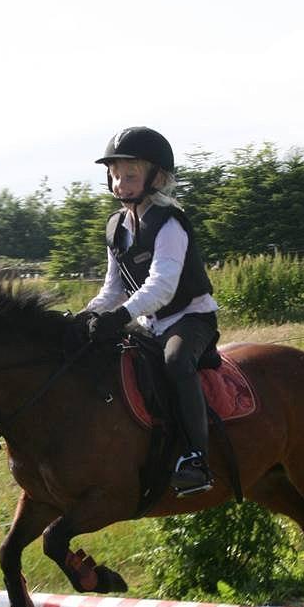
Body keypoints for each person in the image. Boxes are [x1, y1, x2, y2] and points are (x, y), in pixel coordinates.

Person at [78, 126, 219, 496]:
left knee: (175, 361)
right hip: (149, 321)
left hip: (190, 318)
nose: (120, 184)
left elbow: (162, 286)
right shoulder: (116, 227)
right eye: (115, 175)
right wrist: (85, 317)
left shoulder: (168, 222)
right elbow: (113, 288)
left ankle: (197, 458)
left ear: (156, 177)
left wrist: (120, 316)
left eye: (129, 175)